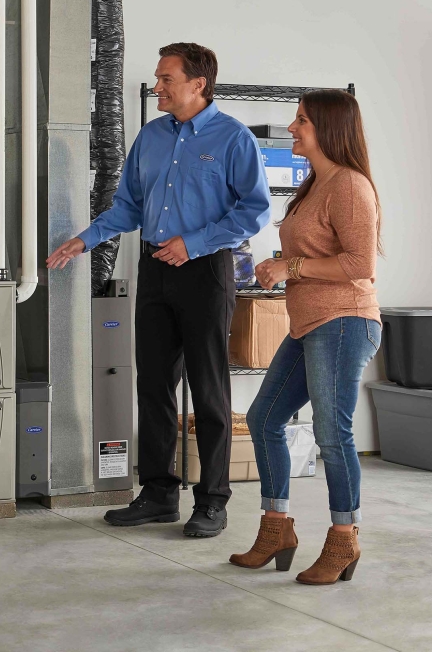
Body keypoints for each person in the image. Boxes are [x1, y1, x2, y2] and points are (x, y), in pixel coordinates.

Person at [47, 43, 270, 538]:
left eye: (167, 78)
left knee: (208, 389)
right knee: (152, 384)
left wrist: (193, 243)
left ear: (198, 84)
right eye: (157, 77)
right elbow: (128, 205)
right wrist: (86, 239)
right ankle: (158, 493)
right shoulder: (150, 135)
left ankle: (212, 500)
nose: (157, 86)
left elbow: (254, 211)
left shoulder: (233, 138)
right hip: (154, 270)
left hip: (205, 271)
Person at [230, 89, 381, 584]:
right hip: (310, 324)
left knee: (331, 433)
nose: (292, 129)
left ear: (329, 129)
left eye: (302, 121)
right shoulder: (316, 183)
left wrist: (289, 267)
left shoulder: (350, 186)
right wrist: (277, 267)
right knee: (264, 418)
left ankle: (344, 538)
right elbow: (318, 254)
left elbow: (360, 264)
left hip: (345, 322)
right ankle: (276, 529)